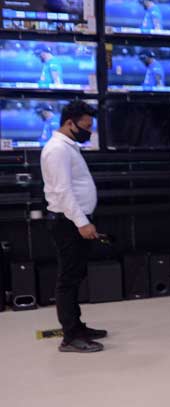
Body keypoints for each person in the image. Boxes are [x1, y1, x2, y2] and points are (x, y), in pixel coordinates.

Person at [41, 100, 106, 353]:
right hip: (68, 223)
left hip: (73, 220)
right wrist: (82, 223)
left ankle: (78, 327)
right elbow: (63, 191)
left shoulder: (68, 146)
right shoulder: (57, 149)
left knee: (75, 275)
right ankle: (70, 337)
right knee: (68, 279)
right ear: (70, 123)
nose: (89, 131)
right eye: (86, 126)